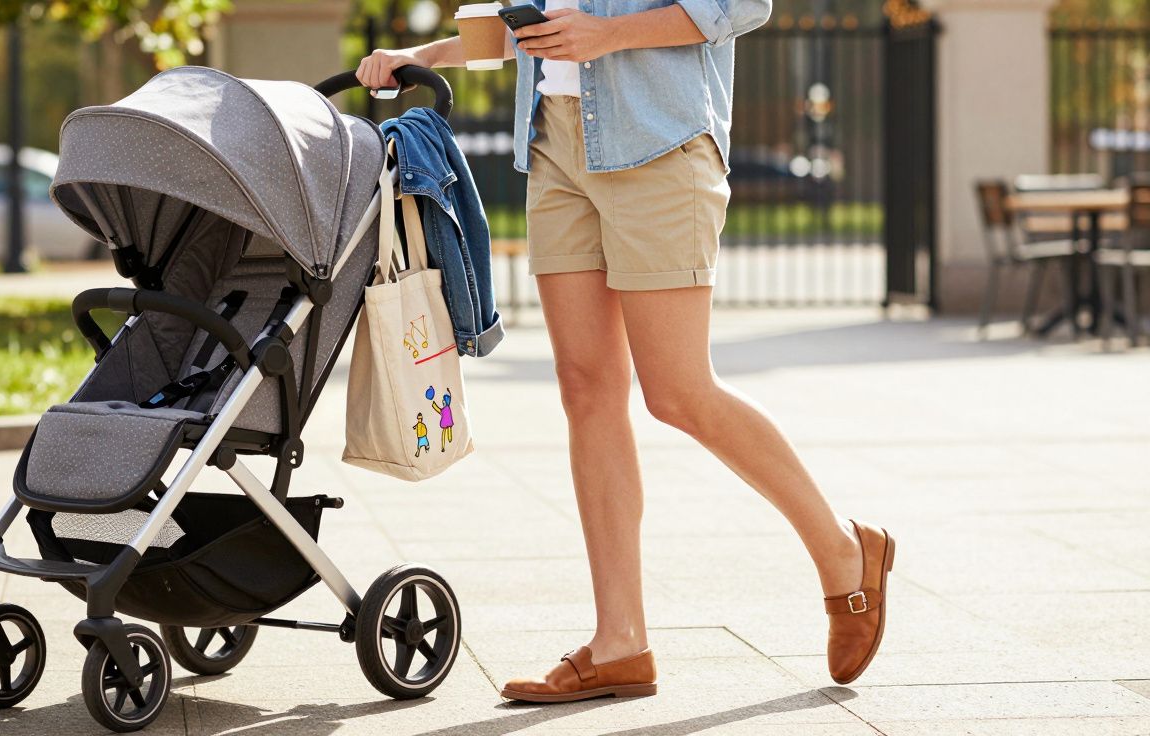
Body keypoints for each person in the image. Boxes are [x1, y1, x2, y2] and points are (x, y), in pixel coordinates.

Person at [356, 0, 894, 703]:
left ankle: (844, 552)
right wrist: (430, 57)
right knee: (586, 389)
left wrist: (608, 35)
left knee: (678, 391)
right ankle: (620, 642)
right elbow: (525, 32)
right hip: (554, 150)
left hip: (660, 148)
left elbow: (742, 5)